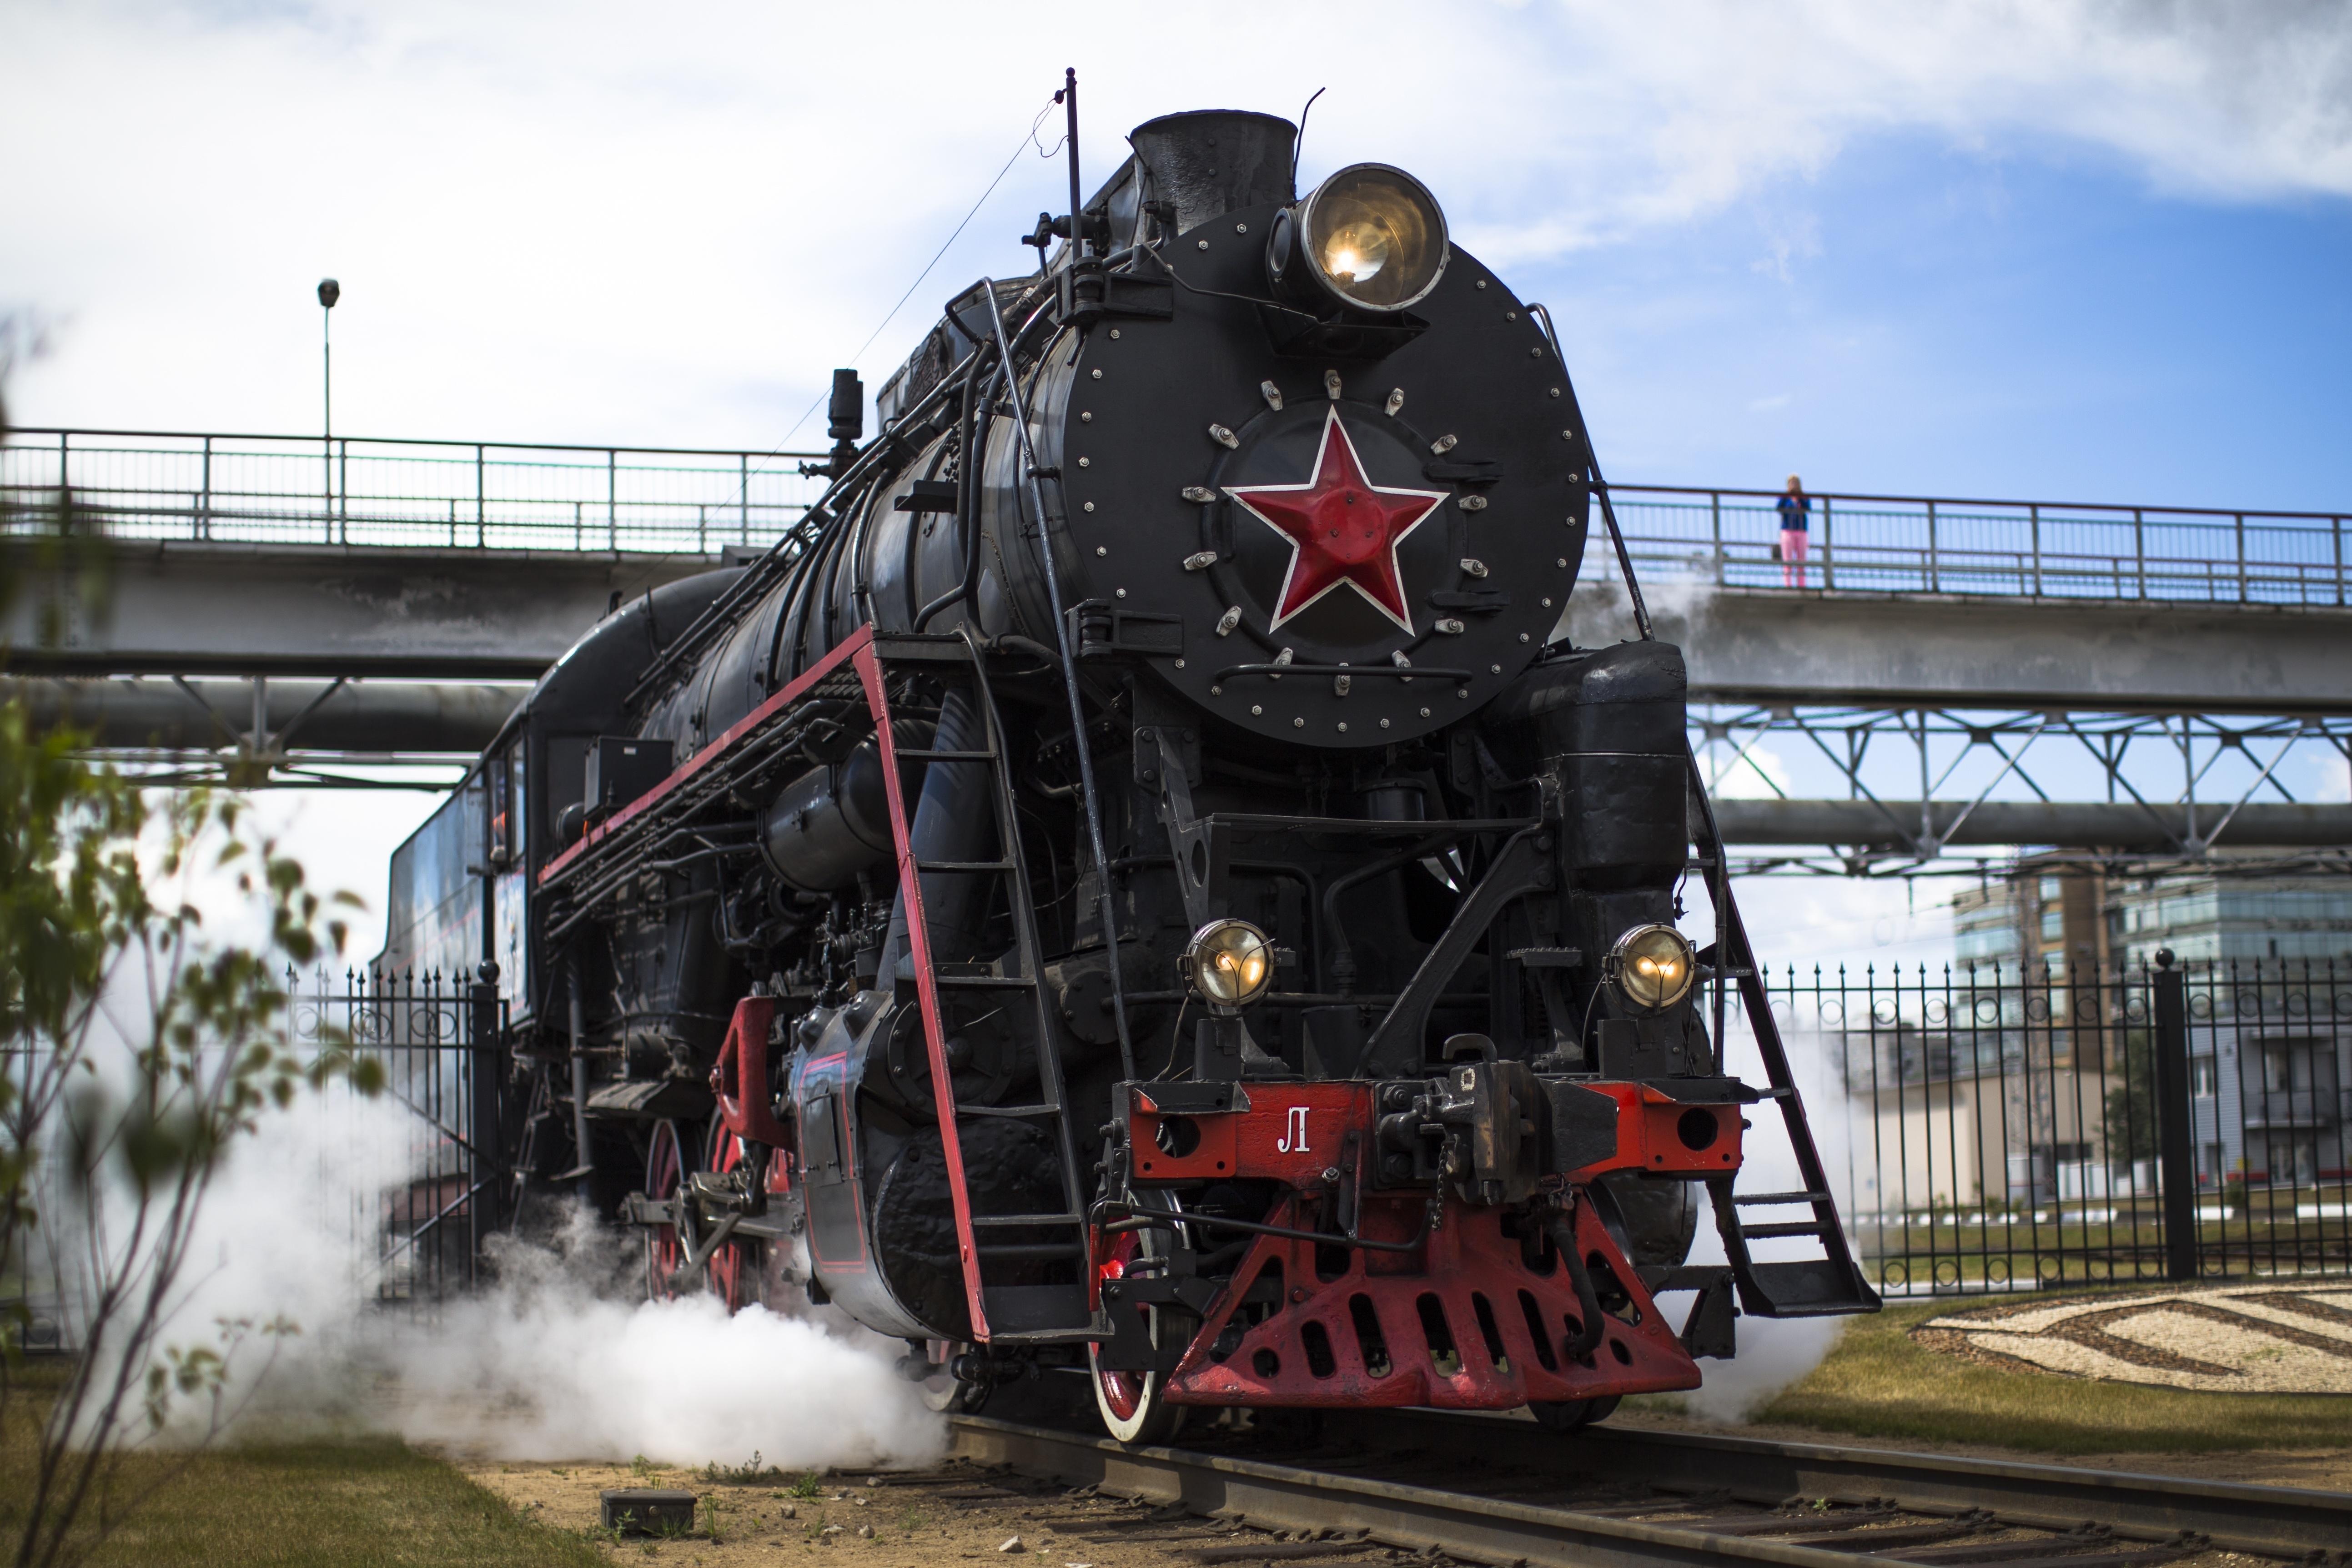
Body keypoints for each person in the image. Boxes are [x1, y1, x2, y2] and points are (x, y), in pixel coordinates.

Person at [1775, 473, 1811, 588]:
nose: (1794, 485)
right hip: (1787, 531)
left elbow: (1808, 508)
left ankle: (1802, 585)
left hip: (1801, 531)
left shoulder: (1803, 498)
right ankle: (1788, 585)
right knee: (1788, 561)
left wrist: (1799, 496)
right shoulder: (1785, 498)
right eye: (1792, 483)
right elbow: (1778, 508)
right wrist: (1787, 495)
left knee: (1801, 561)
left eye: (1796, 483)